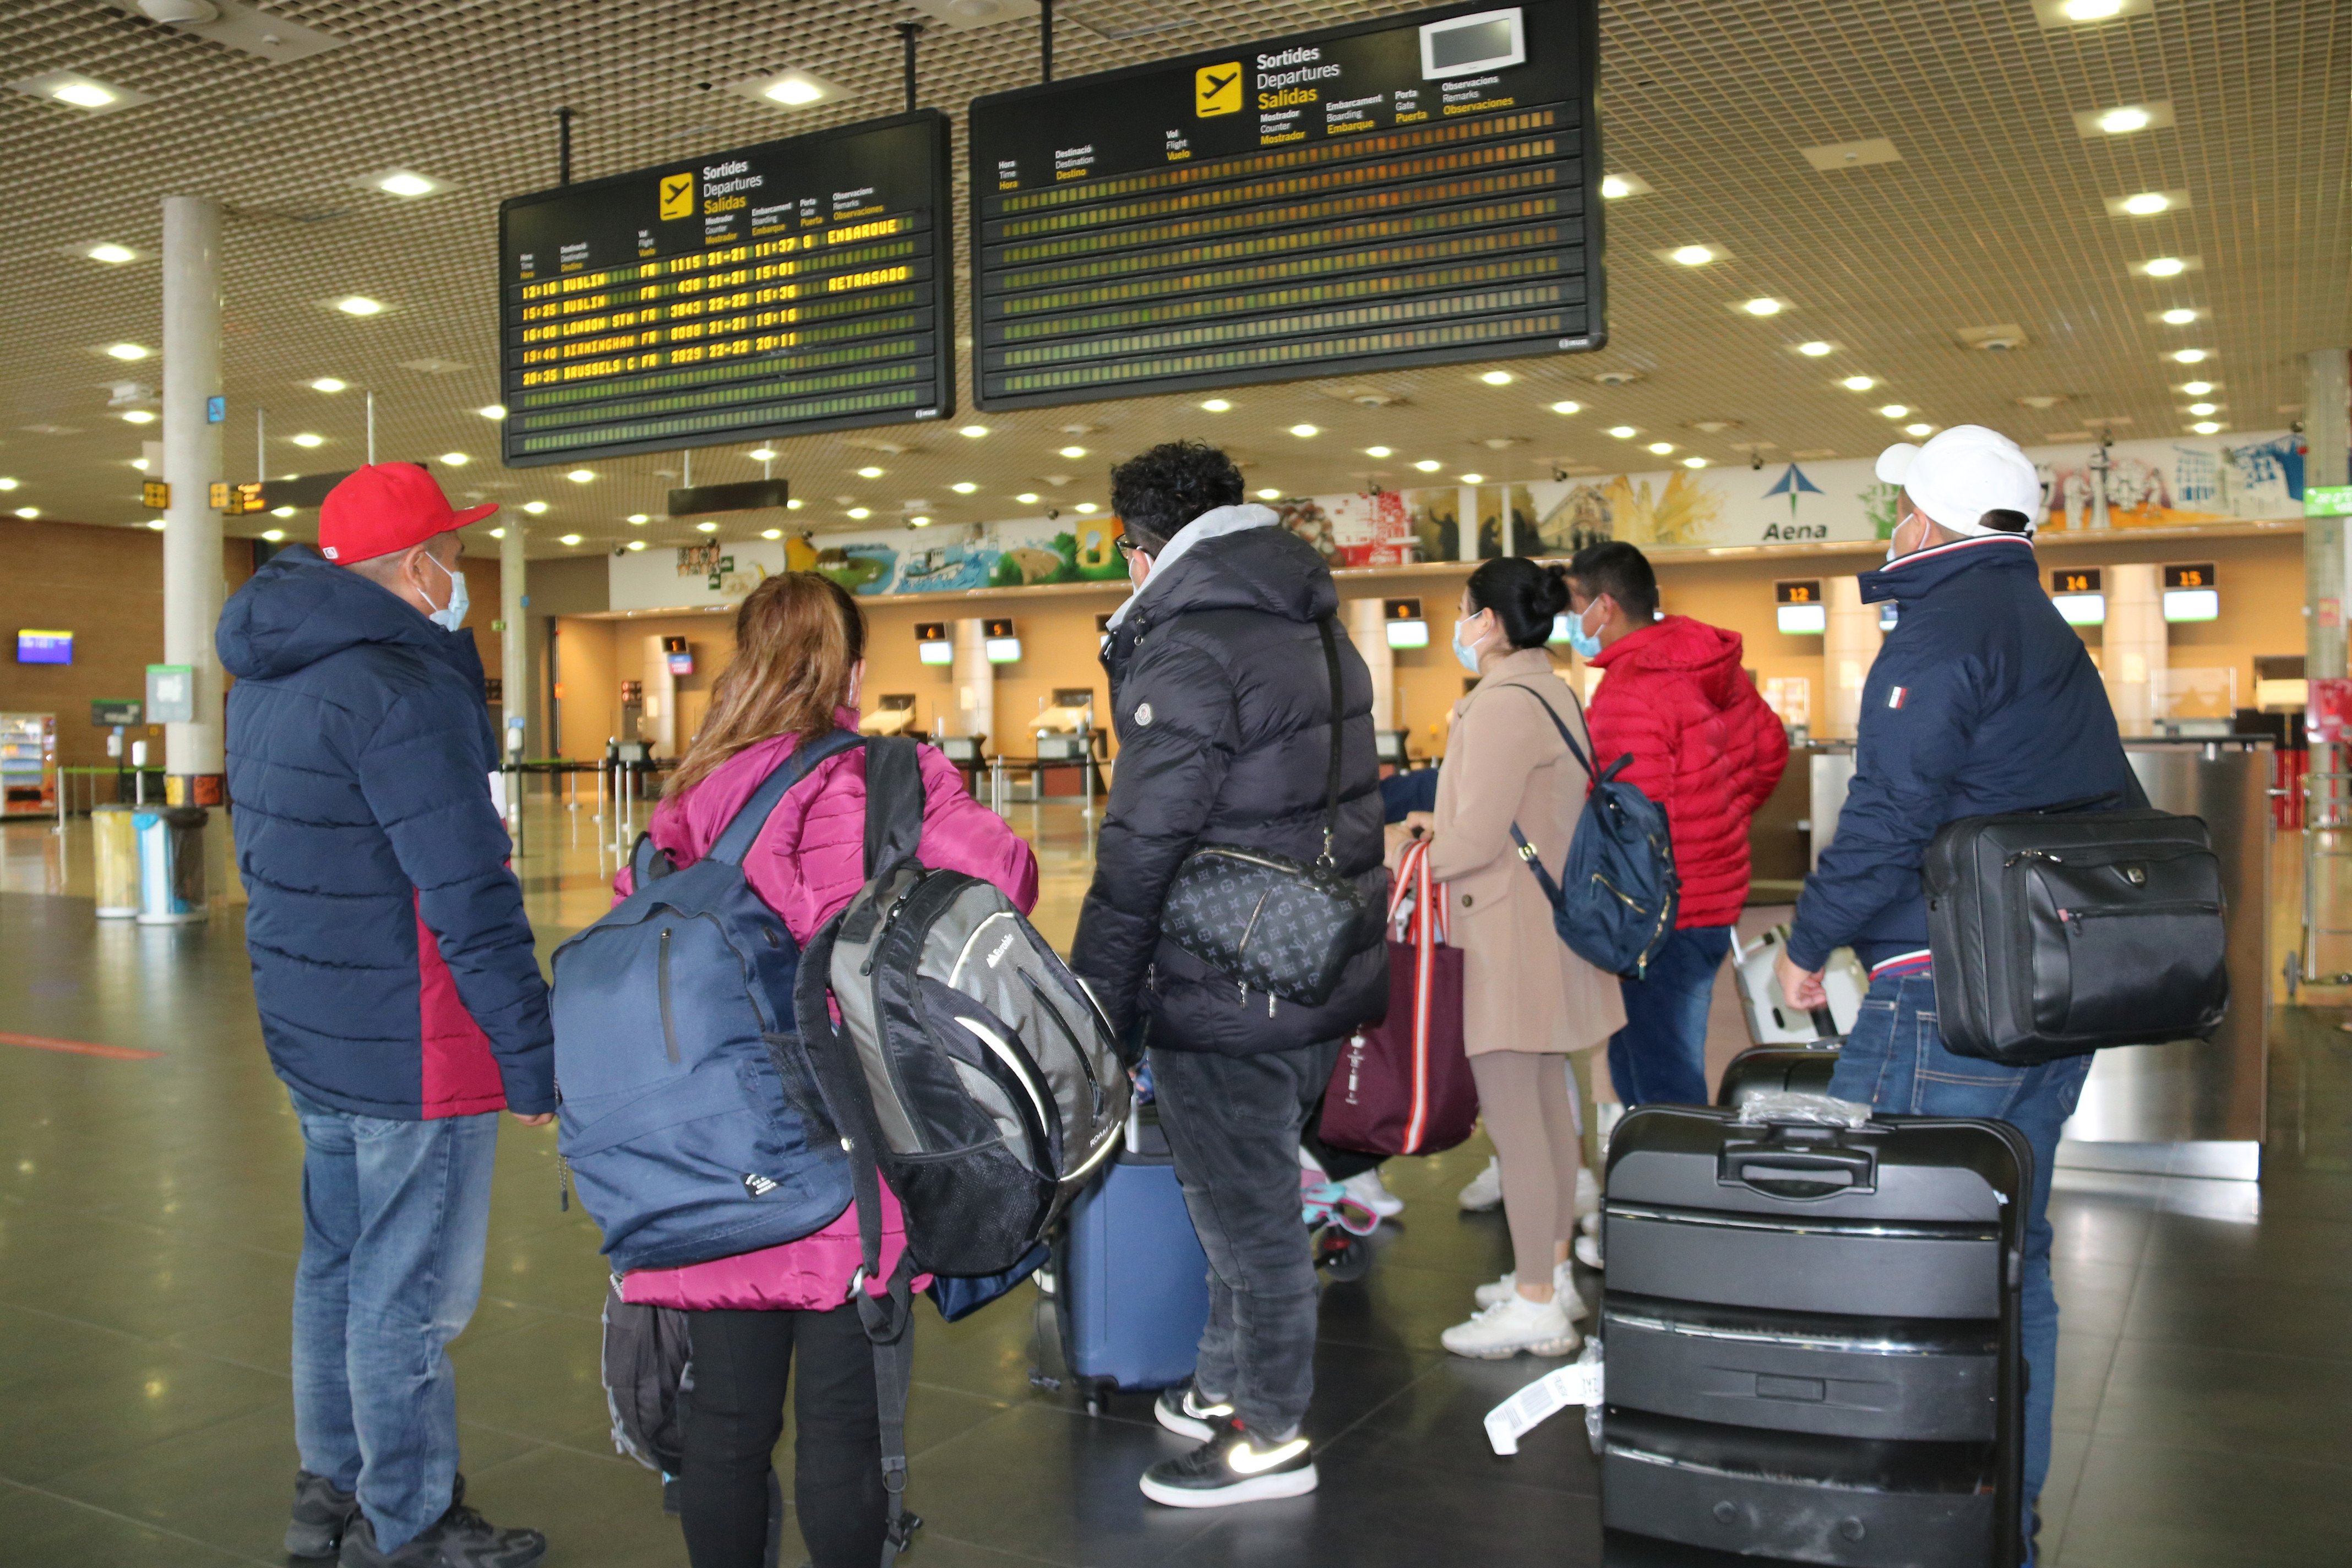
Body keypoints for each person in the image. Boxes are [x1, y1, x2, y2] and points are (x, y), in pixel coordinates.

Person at [618, 573, 1038, 1568]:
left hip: (713, 1143)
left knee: (724, 1415)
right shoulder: (884, 775)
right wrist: (939, 791)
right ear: (852, 669)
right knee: (844, 1427)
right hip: (846, 1137)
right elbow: (1006, 877)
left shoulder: (691, 791)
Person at [1773, 425, 2128, 1563]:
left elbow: (1888, 815)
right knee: (2009, 1265)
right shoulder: (2038, 626)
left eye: (1902, 507)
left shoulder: (1943, 627)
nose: (1891, 526)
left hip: (1947, 996)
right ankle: (1995, 1533)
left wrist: (1808, 940)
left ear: (1930, 523)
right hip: (2046, 995)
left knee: (1893, 1269)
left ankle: (1903, 1531)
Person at [217, 463, 551, 1568]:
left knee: (339, 1265)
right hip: (417, 1043)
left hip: (316, 1029)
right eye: (457, 556)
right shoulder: (403, 691)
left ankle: (332, 1489)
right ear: (419, 568)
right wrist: (530, 1053)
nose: (466, 580)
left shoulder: (268, 679)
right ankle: (408, 1520)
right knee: (405, 1296)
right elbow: (467, 889)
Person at [1070, 440, 1387, 1507]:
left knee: (1249, 1222)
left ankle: (1270, 1432)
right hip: (1311, 959)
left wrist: (1095, 1006)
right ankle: (1222, 1381)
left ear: (1139, 545)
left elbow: (1140, 847)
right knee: (1238, 1199)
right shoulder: (1316, 624)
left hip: (1224, 982)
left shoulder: (1192, 642)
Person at [1422, 558, 1627, 1358]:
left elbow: (1472, 839)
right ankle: (1546, 1277)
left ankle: (1536, 1299)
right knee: (1545, 1114)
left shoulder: (1502, 704)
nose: (1462, 625)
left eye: (1468, 611)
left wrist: (1397, 860)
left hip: (1507, 937)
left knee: (1519, 1128)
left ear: (1493, 623)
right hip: (1544, 926)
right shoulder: (1556, 688)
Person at [1564, 541, 1789, 1113]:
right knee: (1662, 1049)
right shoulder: (1711, 664)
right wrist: (1722, 819)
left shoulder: (1630, 688)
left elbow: (1629, 819)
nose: (1572, 621)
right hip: (1715, 897)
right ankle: (1660, 1181)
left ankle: (1673, 1190)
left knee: (1660, 1074)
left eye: (1575, 605)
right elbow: (1769, 751)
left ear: (1605, 606)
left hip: (1659, 913)